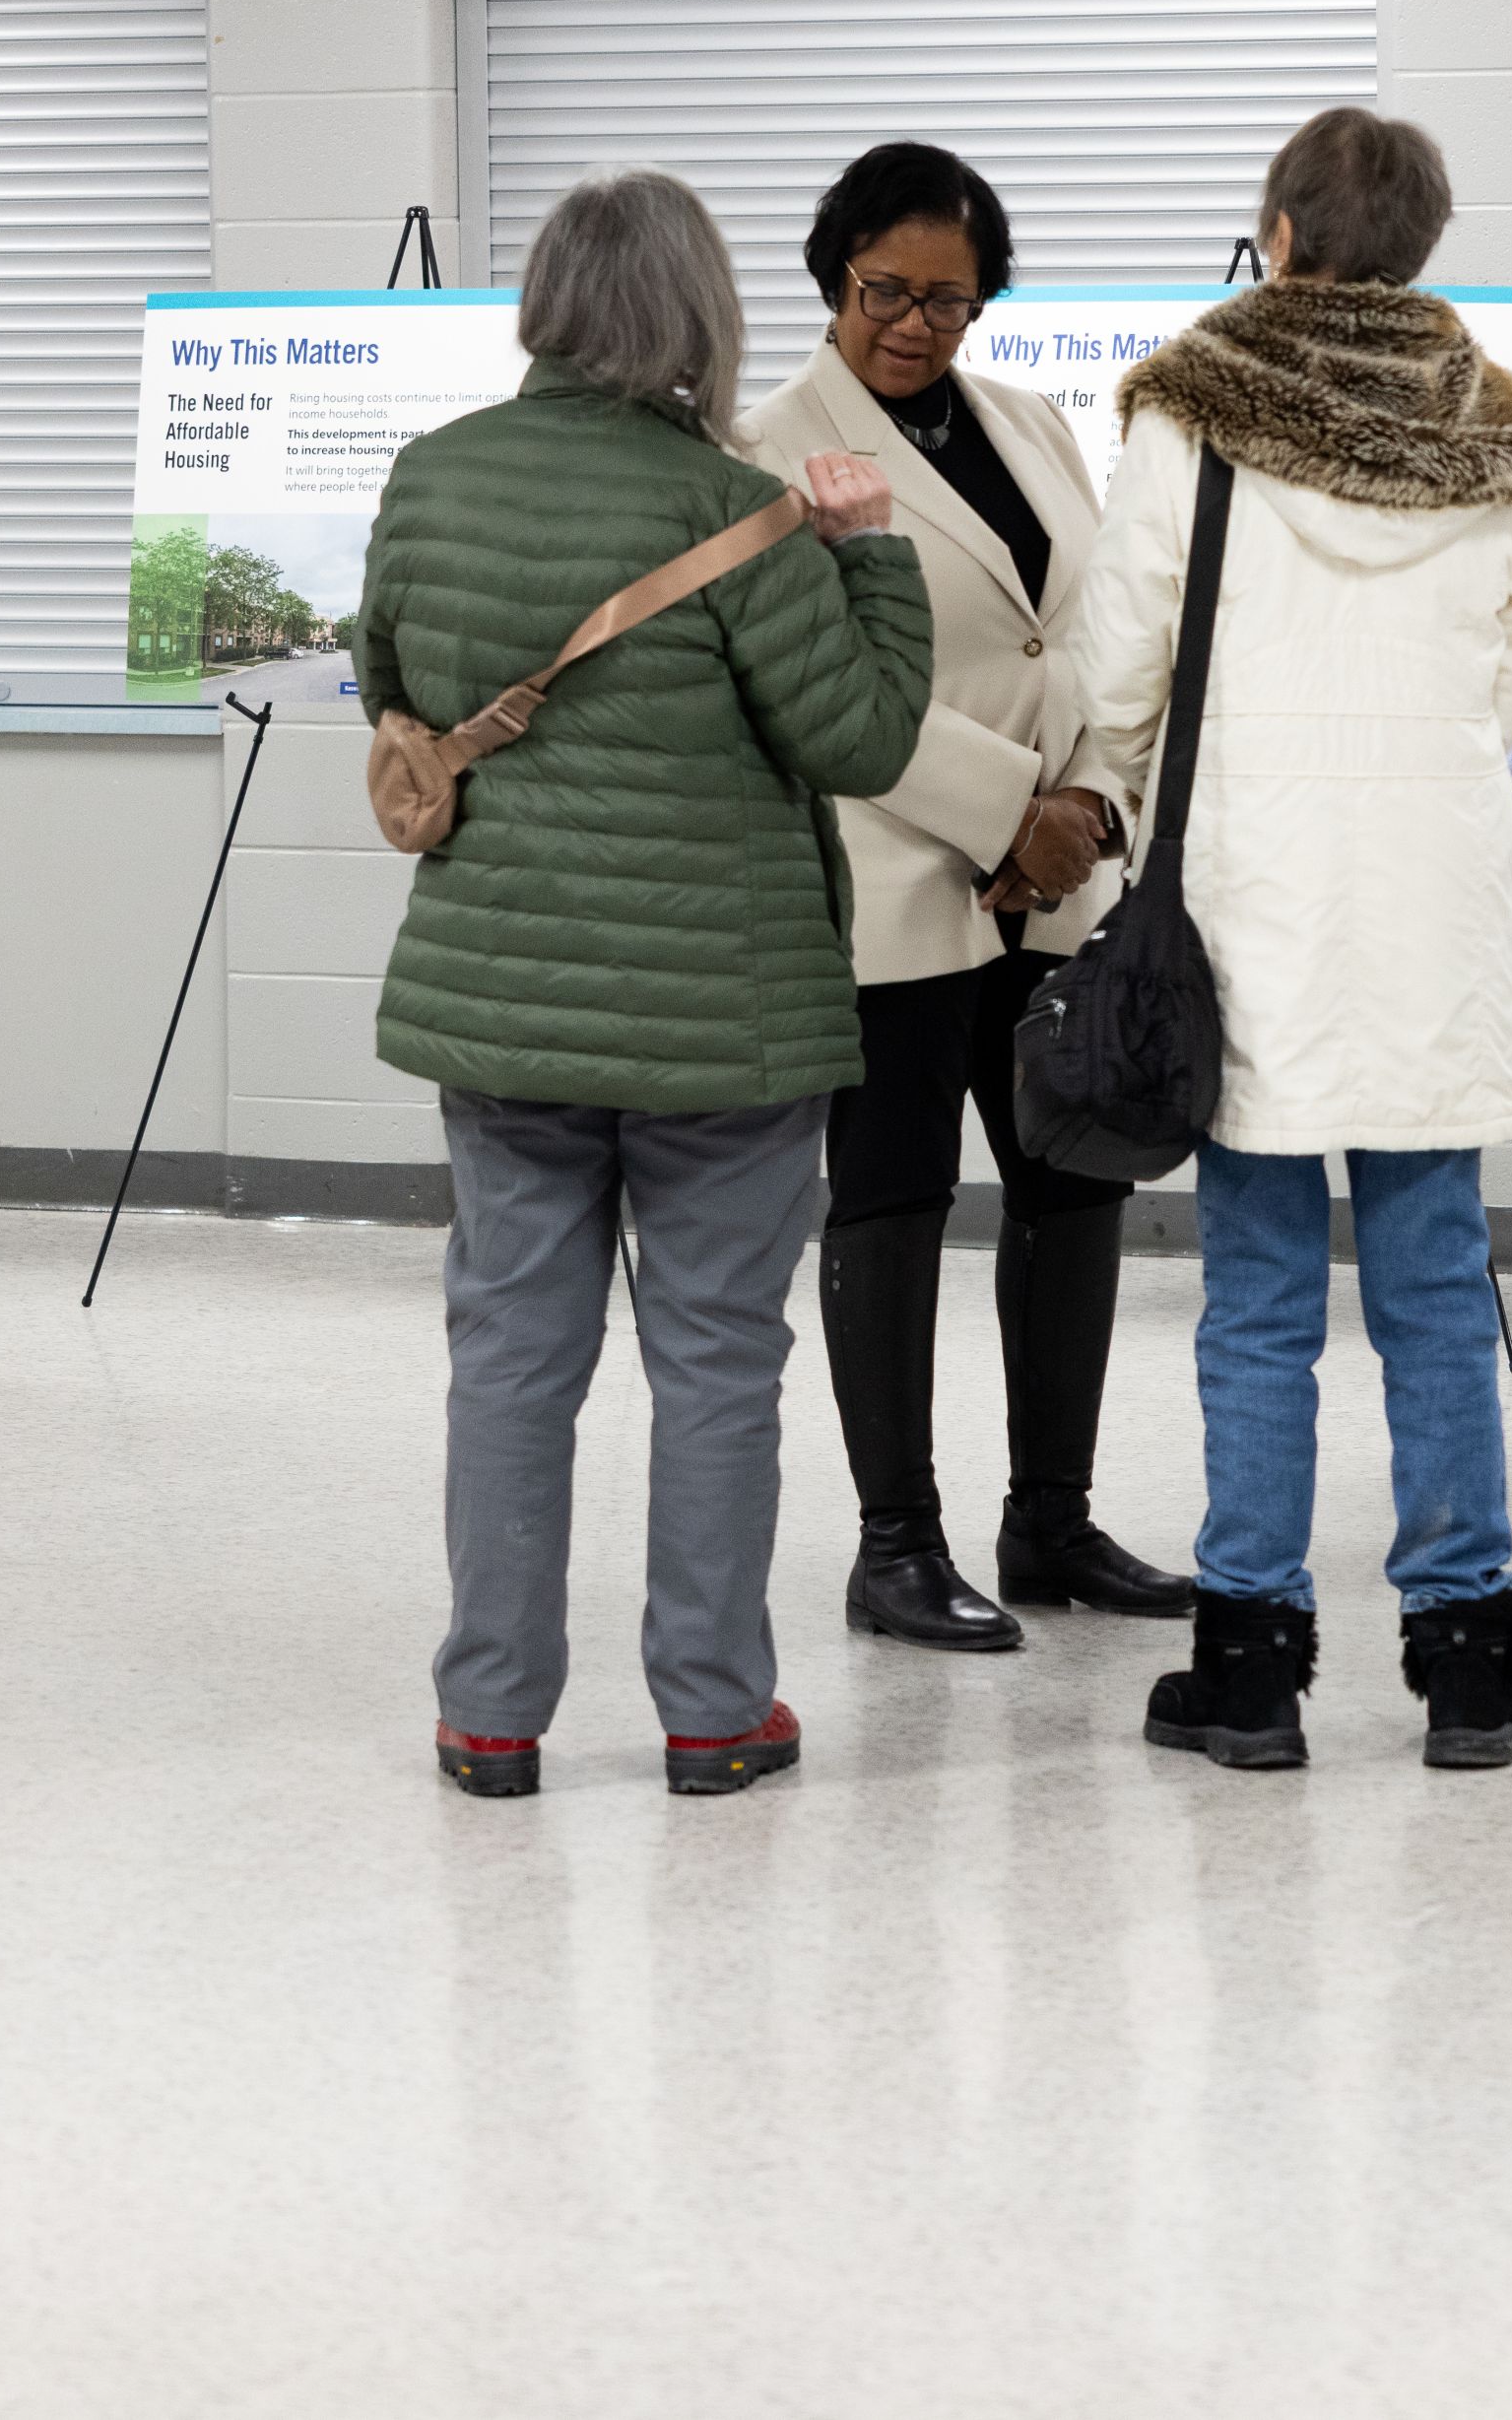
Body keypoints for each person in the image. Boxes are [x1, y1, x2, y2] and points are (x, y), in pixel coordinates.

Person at [359, 166, 933, 1801]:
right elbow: (861, 740)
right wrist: (870, 559)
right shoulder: (731, 509)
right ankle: (709, 1708)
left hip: (508, 1005)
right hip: (720, 1027)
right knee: (715, 1370)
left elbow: (392, 676)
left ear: (543, 303)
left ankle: (489, 1716)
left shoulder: (432, 475)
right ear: (699, 316)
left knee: (511, 1363)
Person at [1072, 107, 1512, 1774]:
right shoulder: (1497, 427)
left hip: (1250, 888)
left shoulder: (1193, 409)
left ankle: (1254, 1662)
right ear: (1424, 240)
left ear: (1279, 231)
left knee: (1261, 1293)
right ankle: (1470, 1665)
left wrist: (1140, 799)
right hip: (1429, 889)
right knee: (1437, 1283)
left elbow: (1125, 661)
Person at [740, 141, 1195, 1650]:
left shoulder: (1034, 423)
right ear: (833, 278)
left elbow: (1091, 637)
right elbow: (820, 689)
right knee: (894, 1200)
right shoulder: (772, 451)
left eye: (952, 294)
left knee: (1073, 1186)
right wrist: (1011, 813)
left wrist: (1084, 808)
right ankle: (895, 1546)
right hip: (896, 878)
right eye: (887, 290)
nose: (919, 323)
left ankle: (1050, 1523)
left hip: (1048, 875)